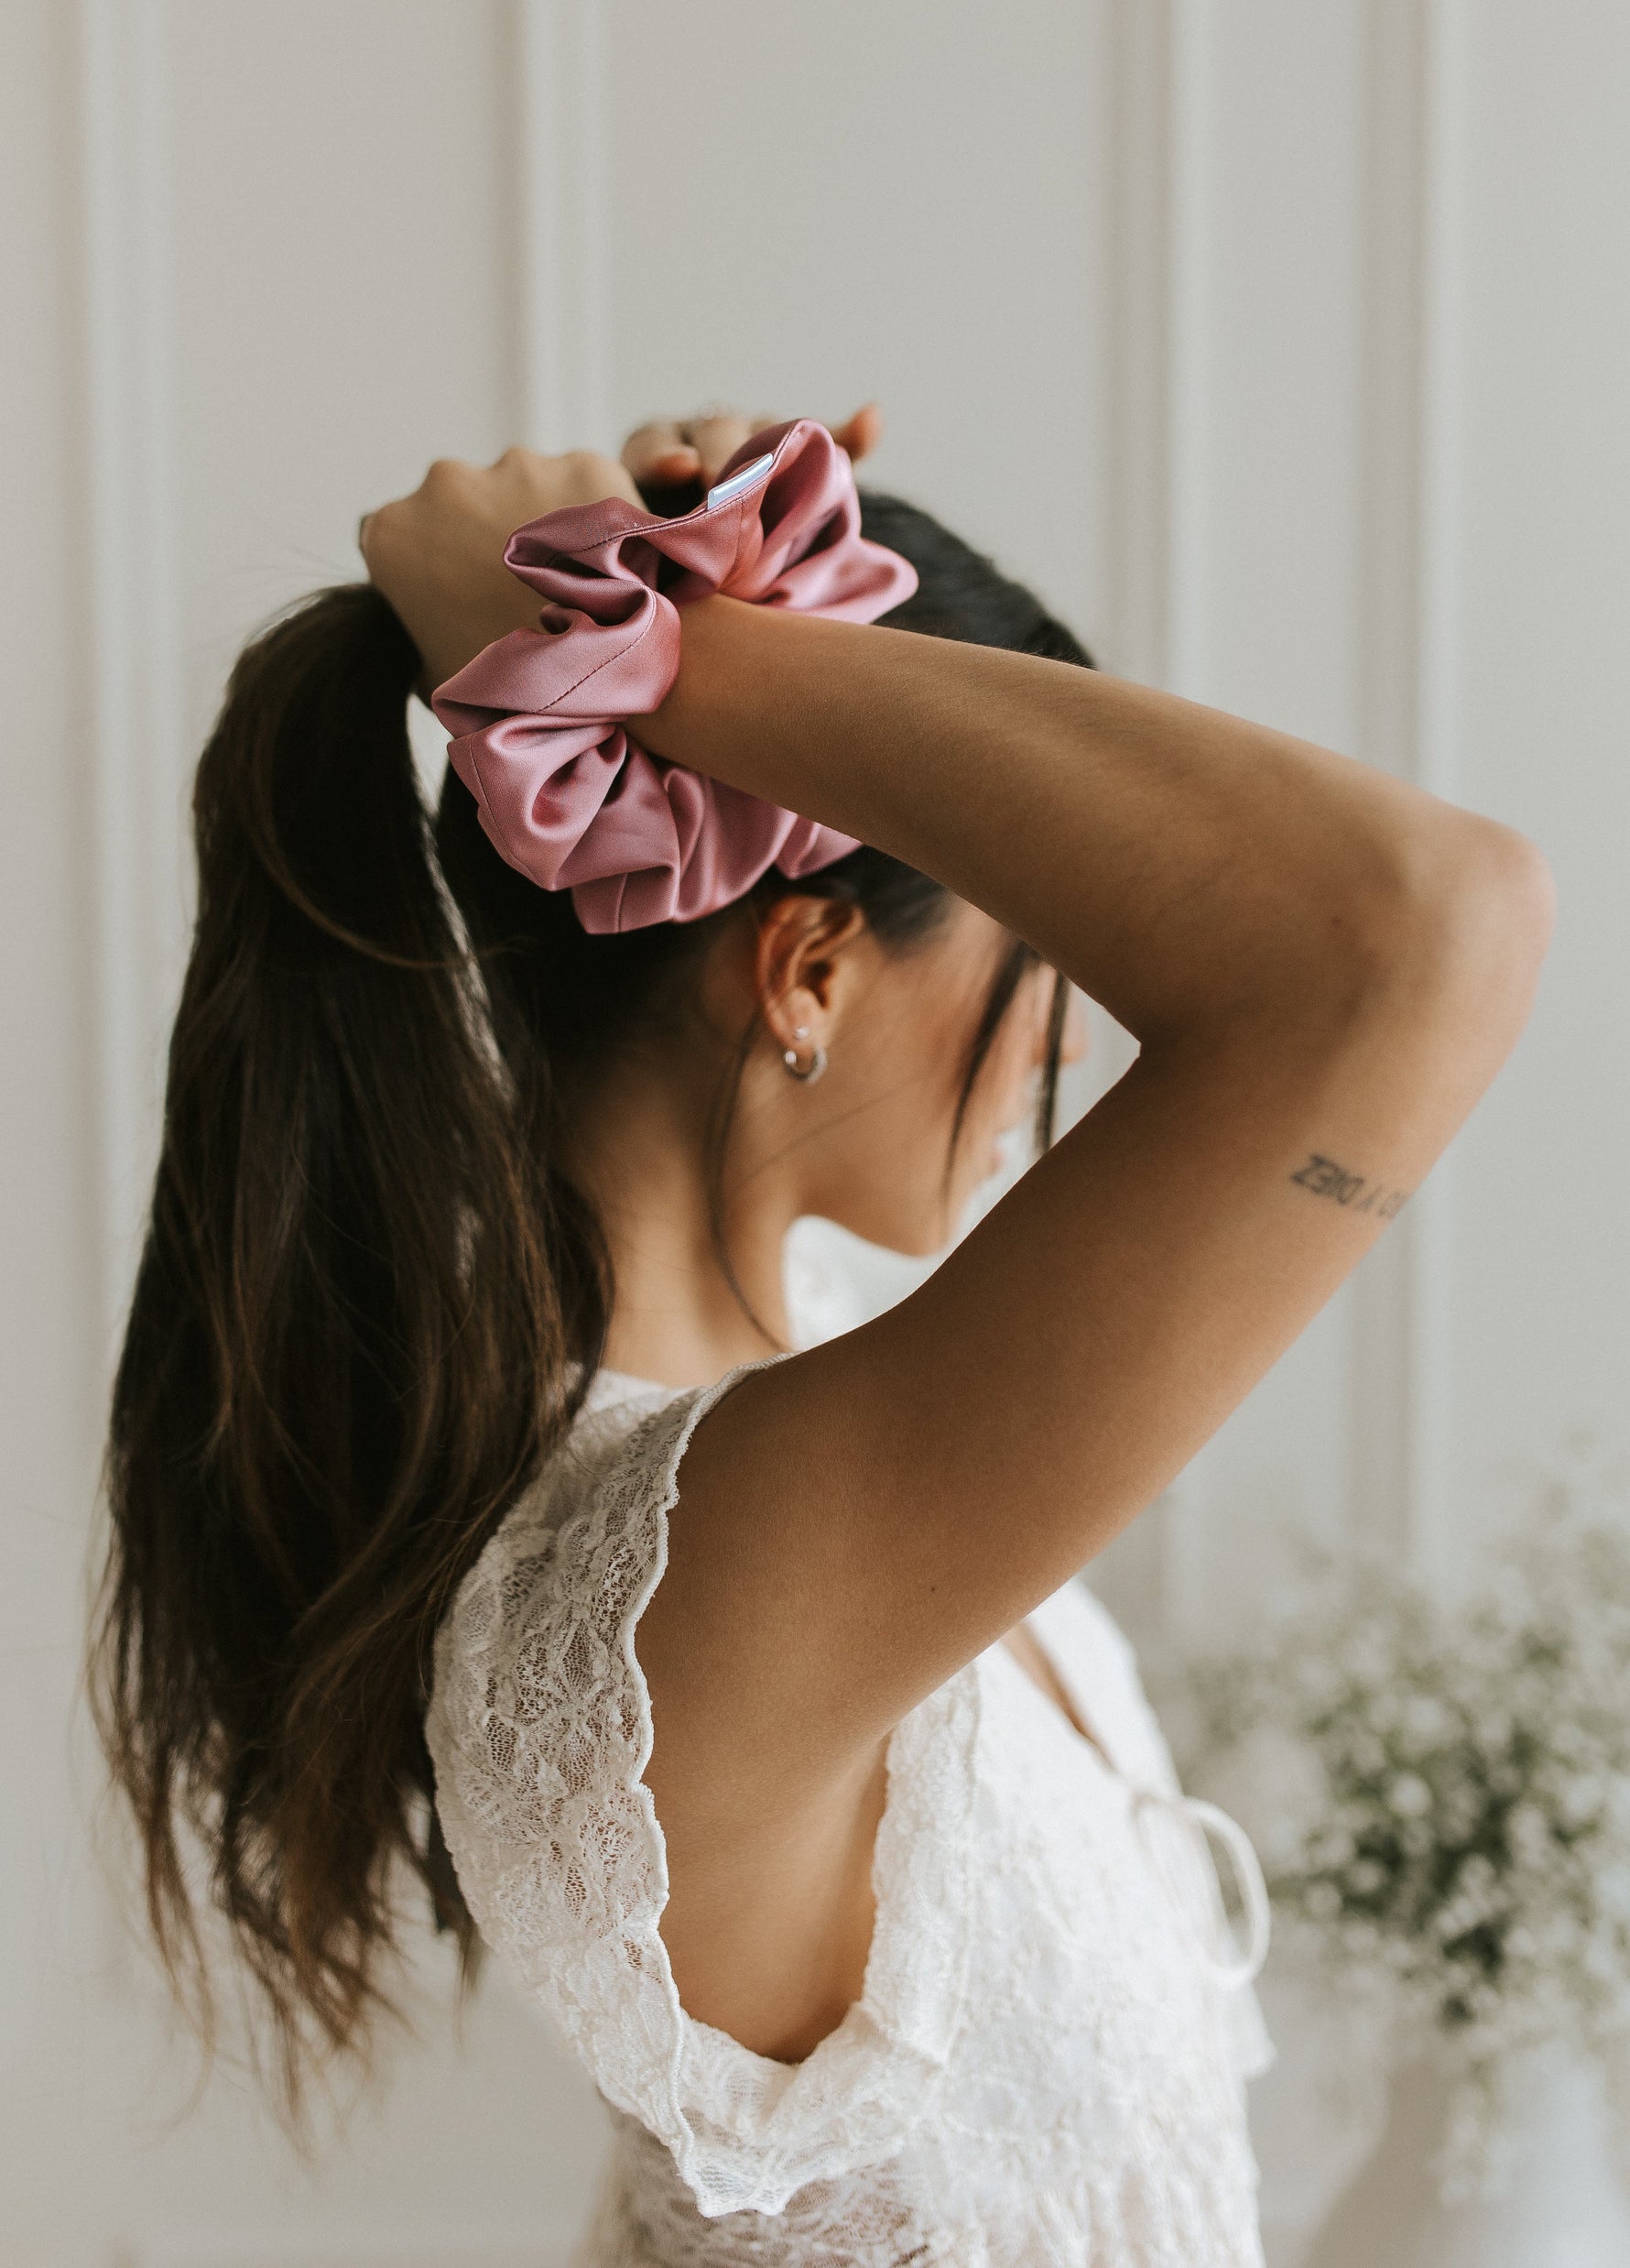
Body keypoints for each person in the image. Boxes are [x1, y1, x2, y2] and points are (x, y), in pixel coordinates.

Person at [95, 405, 1551, 2265]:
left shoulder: (803, 1362)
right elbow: (1425, 927)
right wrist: (661, 652)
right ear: (804, 969)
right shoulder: (671, 1590)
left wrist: (639, 633)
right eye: (1044, 960)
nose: (1069, 1036)